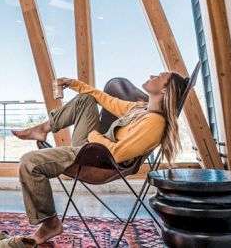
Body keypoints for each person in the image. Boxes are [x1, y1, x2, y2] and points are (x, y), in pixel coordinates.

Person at [11, 71, 188, 245]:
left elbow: (116, 154)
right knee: (86, 99)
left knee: (30, 162)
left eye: (158, 77)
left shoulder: (155, 123)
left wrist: (93, 135)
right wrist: (74, 83)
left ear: (165, 90)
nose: (151, 76)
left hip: (99, 163)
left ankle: (50, 225)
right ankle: (42, 129)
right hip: (92, 151)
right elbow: (105, 99)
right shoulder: (140, 109)